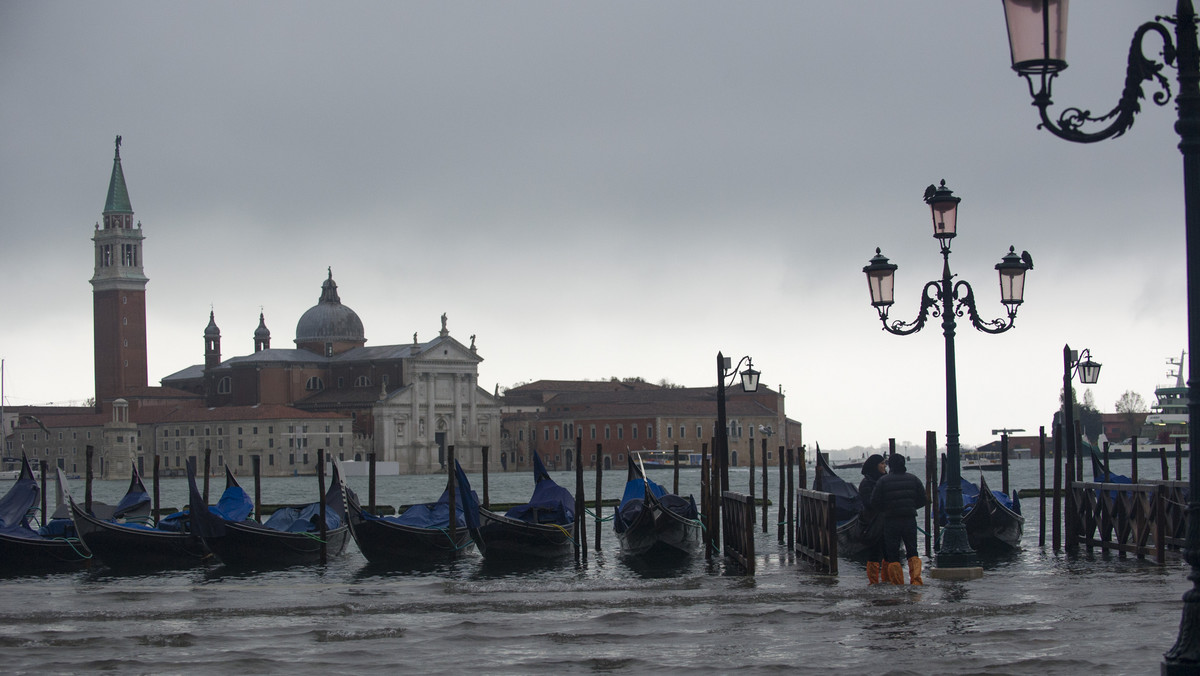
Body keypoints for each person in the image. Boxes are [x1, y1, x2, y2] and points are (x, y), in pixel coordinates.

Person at [869, 453, 927, 585]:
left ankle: (897, 581)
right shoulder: (914, 479)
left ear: (891, 465)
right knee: (912, 550)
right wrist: (911, 507)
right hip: (909, 518)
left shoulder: (883, 481)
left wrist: (886, 509)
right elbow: (923, 499)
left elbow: (874, 501)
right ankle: (916, 580)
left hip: (891, 520)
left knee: (892, 552)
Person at [857, 454, 887, 585]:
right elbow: (869, 503)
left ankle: (888, 580)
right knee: (874, 553)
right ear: (875, 466)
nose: (885, 466)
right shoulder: (866, 483)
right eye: (882, 463)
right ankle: (873, 581)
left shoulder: (885, 480)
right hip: (873, 523)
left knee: (888, 553)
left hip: (886, 522)